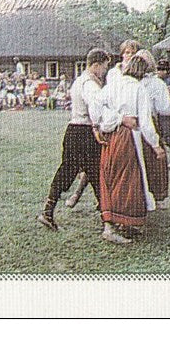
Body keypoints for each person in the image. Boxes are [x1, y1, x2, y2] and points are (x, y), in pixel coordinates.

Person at [97, 52, 166, 245]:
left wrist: (104, 122)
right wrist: (156, 145)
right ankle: (115, 226)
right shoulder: (138, 89)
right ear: (143, 73)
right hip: (128, 137)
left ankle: (120, 224)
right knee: (127, 180)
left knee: (111, 176)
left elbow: (96, 106)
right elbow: (145, 121)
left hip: (111, 136)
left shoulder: (112, 85)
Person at [37, 49, 109, 233]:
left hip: (75, 130)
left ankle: (48, 211)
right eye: (104, 66)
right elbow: (95, 106)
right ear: (96, 65)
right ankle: (107, 219)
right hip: (84, 131)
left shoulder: (81, 80)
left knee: (74, 171)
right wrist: (100, 125)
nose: (105, 71)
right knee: (94, 173)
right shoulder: (89, 84)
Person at [136, 50, 170, 205]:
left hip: (129, 125)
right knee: (152, 161)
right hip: (148, 123)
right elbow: (166, 108)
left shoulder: (125, 82)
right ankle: (153, 194)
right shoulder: (156, 83)